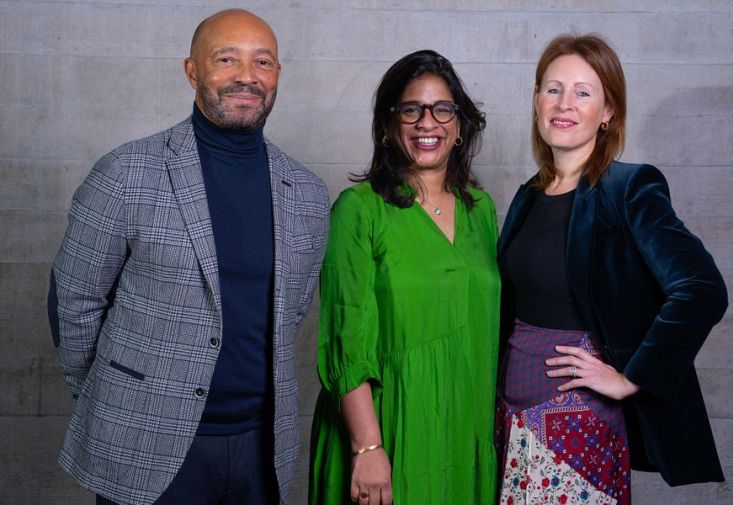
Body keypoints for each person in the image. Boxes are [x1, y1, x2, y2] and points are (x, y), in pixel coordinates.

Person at [47, 9, 329, 505]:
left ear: (278, 74)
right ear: (192, 71)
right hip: (144, 441)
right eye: (227, 59)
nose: (247, 75)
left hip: (261, 448)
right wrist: (114, 399)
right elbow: (74, 301)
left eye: (263, 62)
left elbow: (292, 313)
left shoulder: (305, 193)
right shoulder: (126, 173)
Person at [495, 33, 728, 504]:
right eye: (553, 88)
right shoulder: (528, 194)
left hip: (576, 419)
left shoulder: (629, 187)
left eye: (584, 91)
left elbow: (702, 288)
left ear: (608, 112)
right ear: (537, 99)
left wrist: (629, 377)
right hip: (509, 413)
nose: (565, 103)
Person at [308, 50, 499, 505]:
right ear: (389, 125)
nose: (426, 123)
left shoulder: (482, 210)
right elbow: (345, 335)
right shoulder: (359, 209)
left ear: (460, 125)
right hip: (388, 427)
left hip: (464, 429)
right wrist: (368, 447)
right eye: (411, 109)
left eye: (443, 109)